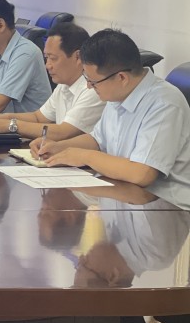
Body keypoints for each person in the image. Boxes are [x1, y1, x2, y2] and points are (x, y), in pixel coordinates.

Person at [35, 29, 190, 210]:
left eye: (93, 82)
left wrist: (83, 156)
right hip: (125, 196)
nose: (89, 86)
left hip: (167, 209)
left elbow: (142, 173)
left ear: (122, 77)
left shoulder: (164, 104)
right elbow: (97, 140)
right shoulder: (118, 93)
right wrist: (59, 147)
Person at [0, 22, 106, 139]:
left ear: (78, 57)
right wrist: (2, 118)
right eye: (46, 58)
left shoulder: (93, 89)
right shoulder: (63, 85)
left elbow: (62, 132)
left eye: (53, 58)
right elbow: (38, 117)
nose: (48, 65)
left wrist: (11, 125)